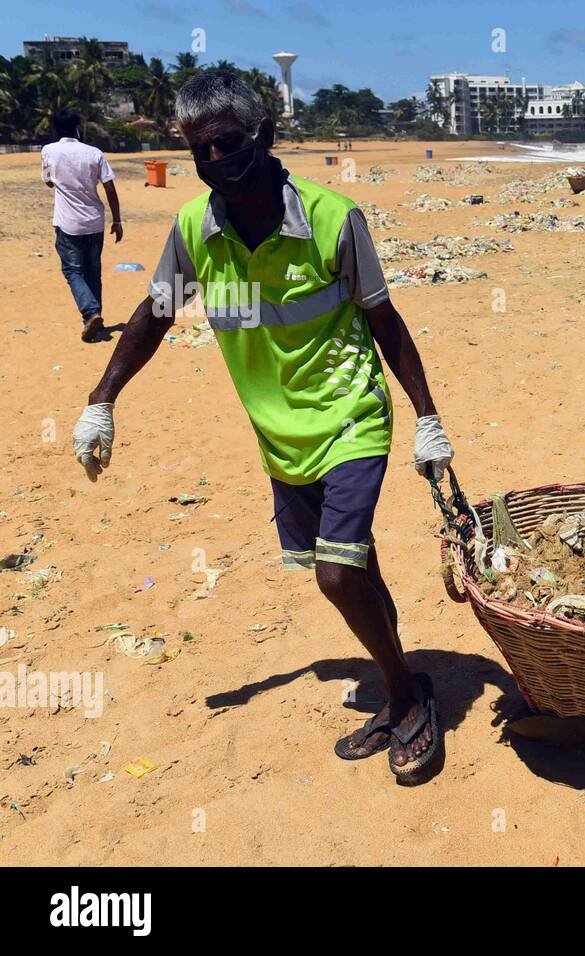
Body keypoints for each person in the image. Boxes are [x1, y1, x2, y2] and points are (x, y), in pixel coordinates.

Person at [70, 71, 453, 785]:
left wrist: (428, 418)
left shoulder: (334, 219)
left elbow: (384, 321)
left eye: (227, 144)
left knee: (336, 575)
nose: (214, 162)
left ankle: (406, 693)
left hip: (350, 417)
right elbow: (155, 313)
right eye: (198, 151)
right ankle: (405, 683)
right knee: (352, 568)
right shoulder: (194, 229)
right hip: (279, 437)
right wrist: (103, 399)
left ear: (266, 136)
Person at [41, 109, 123, 343]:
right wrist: (117, 221)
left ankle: (91, 313)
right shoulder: (94, 153)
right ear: (78, 128)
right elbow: (110, 188)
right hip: (95, 221)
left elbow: (48, 181)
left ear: (56, 129)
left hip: (68, 223)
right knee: (92, 271)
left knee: (73, 271)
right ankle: (95, 318)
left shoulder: (49, 150)